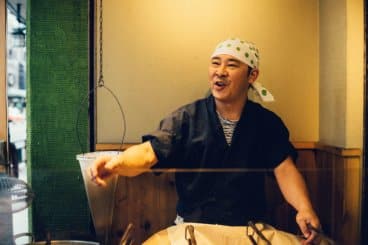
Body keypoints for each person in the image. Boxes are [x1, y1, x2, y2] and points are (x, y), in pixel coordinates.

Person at [90, 38, 320, 244]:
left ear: (252, 75)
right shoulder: (186, 119)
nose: (220, 71)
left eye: (231, 65)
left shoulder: (266, 123)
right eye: (215, 63)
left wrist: (304, 208)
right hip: (194, 230)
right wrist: (115, 164)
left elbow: (285, 169)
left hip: (250, 232)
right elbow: (149, 153)